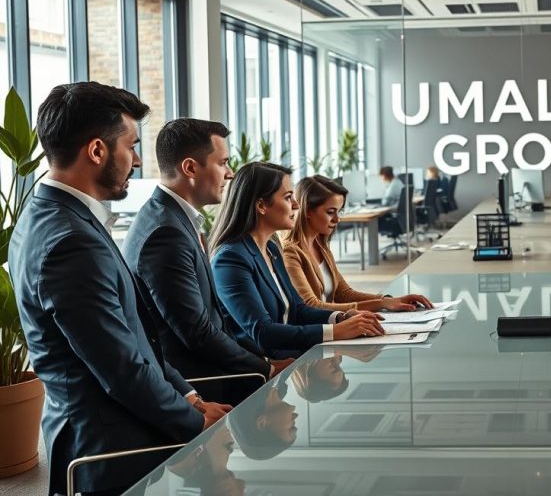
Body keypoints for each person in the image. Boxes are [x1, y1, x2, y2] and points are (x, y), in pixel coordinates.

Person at [10, 82, 228, 496]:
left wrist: (189, 396)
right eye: (131, 145)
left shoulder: (58, 215)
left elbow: (133, 336)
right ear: (97, 151)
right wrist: (195, 422)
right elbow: (119, 367)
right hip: (109, 448)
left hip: (121, 427)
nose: (139, 159)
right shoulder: (68, 238)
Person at [124, 119, 292, 405]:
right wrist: (266, 367)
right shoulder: (165, 233)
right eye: (223, 163)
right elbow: (198, 333)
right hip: (203, 386)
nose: (229, 174)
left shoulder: (175, 219)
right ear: (190, 168)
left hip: (218, 369)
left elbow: (214, 321)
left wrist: (263, 359)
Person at [210, 162, 386, 359]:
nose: (296, 204)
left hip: (292, 358)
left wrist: (341, 318)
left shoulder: (271, 250)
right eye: (288, 197)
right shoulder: (230, 259)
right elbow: (263, 332)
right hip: (266, 370)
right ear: (261, 206)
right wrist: (337, 331)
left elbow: (298, 310)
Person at [283, 175, 433, 312]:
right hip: (318, 334)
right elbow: (312, 306)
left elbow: (344, 294)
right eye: (330, 212)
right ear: (308, 211)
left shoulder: (320, 245)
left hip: (336, 324)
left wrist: (388, 300)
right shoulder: (290, 252)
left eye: (339, 212)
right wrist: (381, 304)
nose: (337, 219)